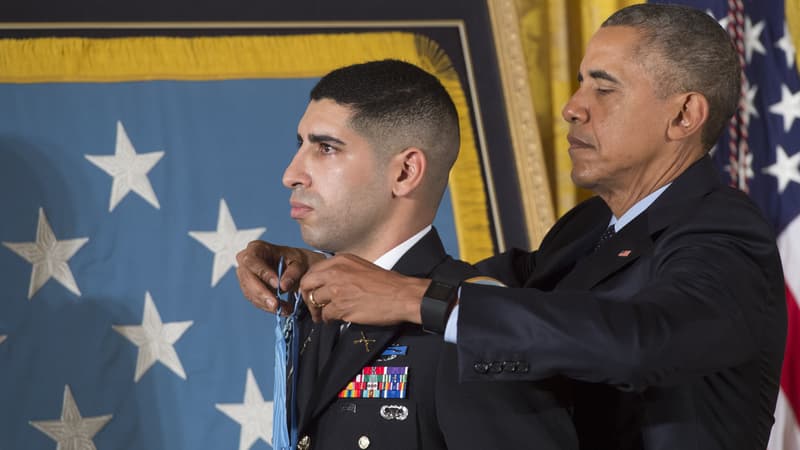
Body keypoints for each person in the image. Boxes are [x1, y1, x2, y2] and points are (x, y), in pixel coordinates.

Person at [237, 5, 787, 450]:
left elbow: (641, 340)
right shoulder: (591, 227)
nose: (572, 108)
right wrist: (334, 265)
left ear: (684, 115)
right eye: (577, 84)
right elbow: (490, 285)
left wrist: (412, 298)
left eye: (604, 87)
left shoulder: (725, 232)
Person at [238, 59, 577, 450]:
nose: (291, 174)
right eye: (301, 144)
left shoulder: (473, 328)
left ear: (404, 172)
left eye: (326, 148)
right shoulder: (317, 308)